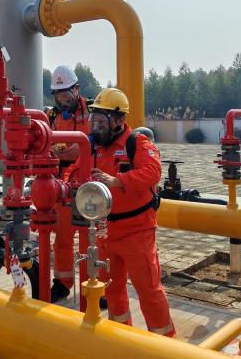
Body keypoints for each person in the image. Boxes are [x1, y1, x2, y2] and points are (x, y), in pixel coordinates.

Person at [87, 87, 176, 337]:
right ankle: (121, 337)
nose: (97, 127)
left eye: (102, 121)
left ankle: (164, 343)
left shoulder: (136, 143)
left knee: (148, 289)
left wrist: (117, 180)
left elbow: (153, 172)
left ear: (119, 120)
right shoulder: (94, 147)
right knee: (112, 289)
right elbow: (76, 170)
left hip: (137, 230)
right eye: (94, 120)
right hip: (106, 230)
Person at [47, 65, 89, 302]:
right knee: (62, 236)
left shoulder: (93, 112)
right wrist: (52, 149)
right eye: (58, 95)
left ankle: (94, 285)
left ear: (76, 89)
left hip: (87, 182)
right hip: (62, 183)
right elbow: (43, 142)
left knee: (89, 238)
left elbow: (106, 142)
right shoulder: (52, 116)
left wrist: (82, 150)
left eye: (66, 94)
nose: (63, 100)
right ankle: (62, 283)